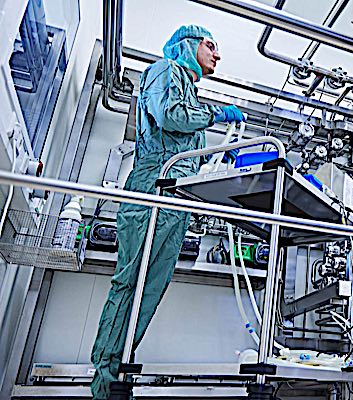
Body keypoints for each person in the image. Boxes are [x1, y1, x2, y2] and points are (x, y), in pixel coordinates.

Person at [90, 25, 245, 399]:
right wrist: (217, 114)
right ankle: (105, 380)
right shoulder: (165, 70)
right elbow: (170, 116)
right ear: (187, 45)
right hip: (153, 190)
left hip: (176, 200)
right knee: (131, 282)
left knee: (151, 289)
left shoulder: (189, 90)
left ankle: (120, 372)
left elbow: (187, 150)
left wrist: (219, 160)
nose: (217, 55)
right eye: (210, 45)